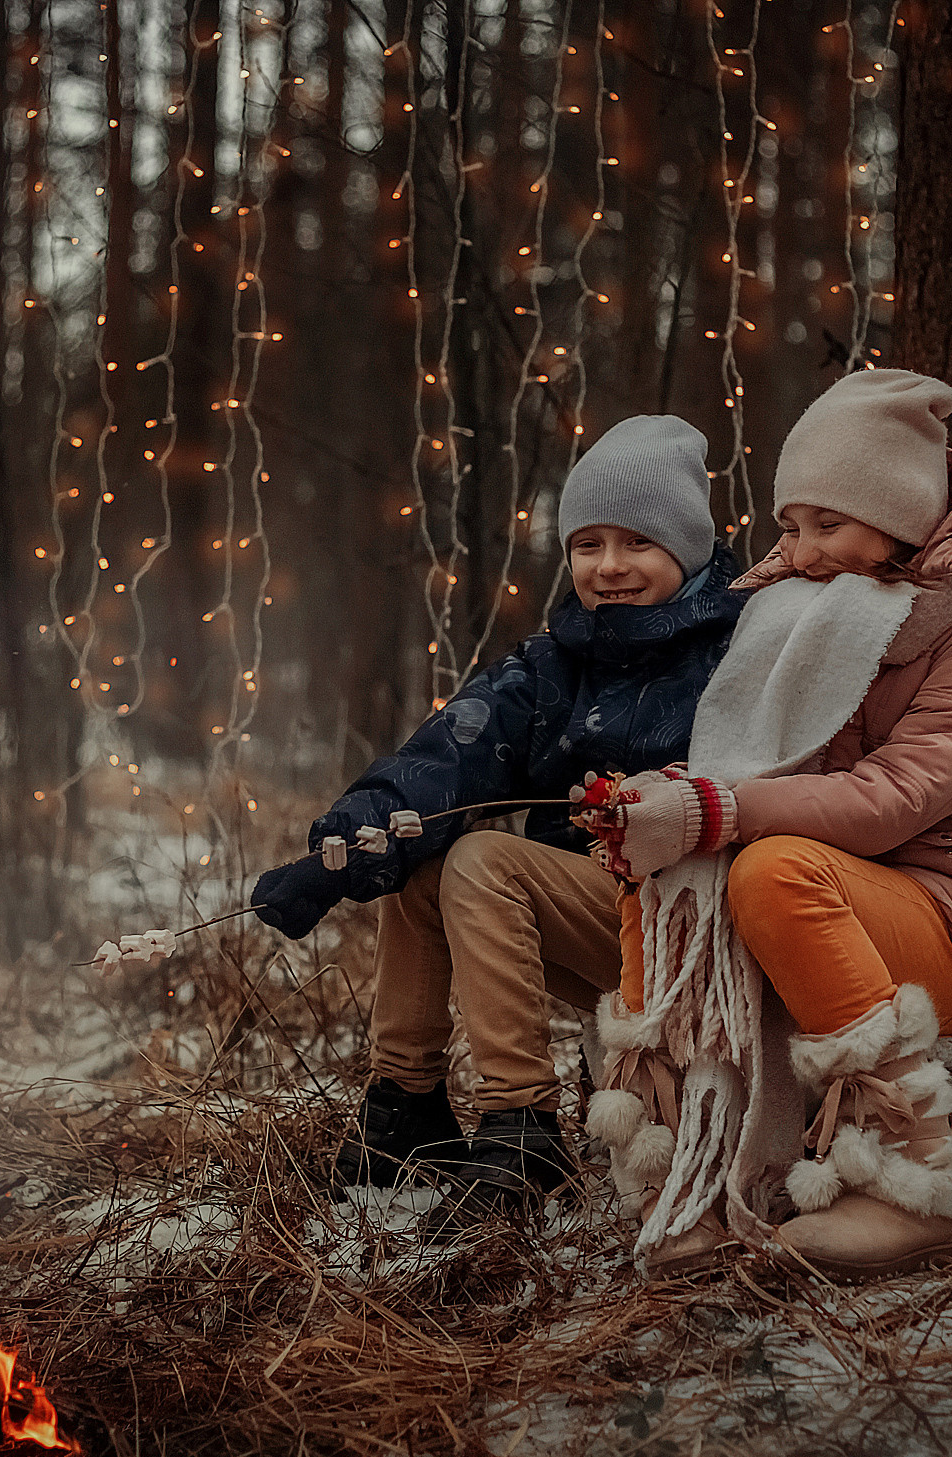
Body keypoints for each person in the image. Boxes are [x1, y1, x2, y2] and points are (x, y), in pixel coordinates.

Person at [582, 369, 952, 1279]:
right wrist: (657, 805)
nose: (802, 551)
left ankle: (917, 1189)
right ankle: (685, 1171)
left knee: (771, 869)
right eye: (790, 526)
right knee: (661, 874)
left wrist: (716, 809)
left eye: (827, 524)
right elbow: (755, 765)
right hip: (825, 895)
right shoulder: (790, 615)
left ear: (901, 516)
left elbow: (892, 797)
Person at [249, 415, 749, 1237]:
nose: (610, 565)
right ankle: (404, 1107)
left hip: (693, 935)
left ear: (689, 547)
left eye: (638, 541)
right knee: (423, 851)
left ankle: (524, 1130)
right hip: (599, 925)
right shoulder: (555, 664)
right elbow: (447, 756)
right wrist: (342, 848)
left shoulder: (737, 651)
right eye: (588, 544)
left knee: (483, 857)